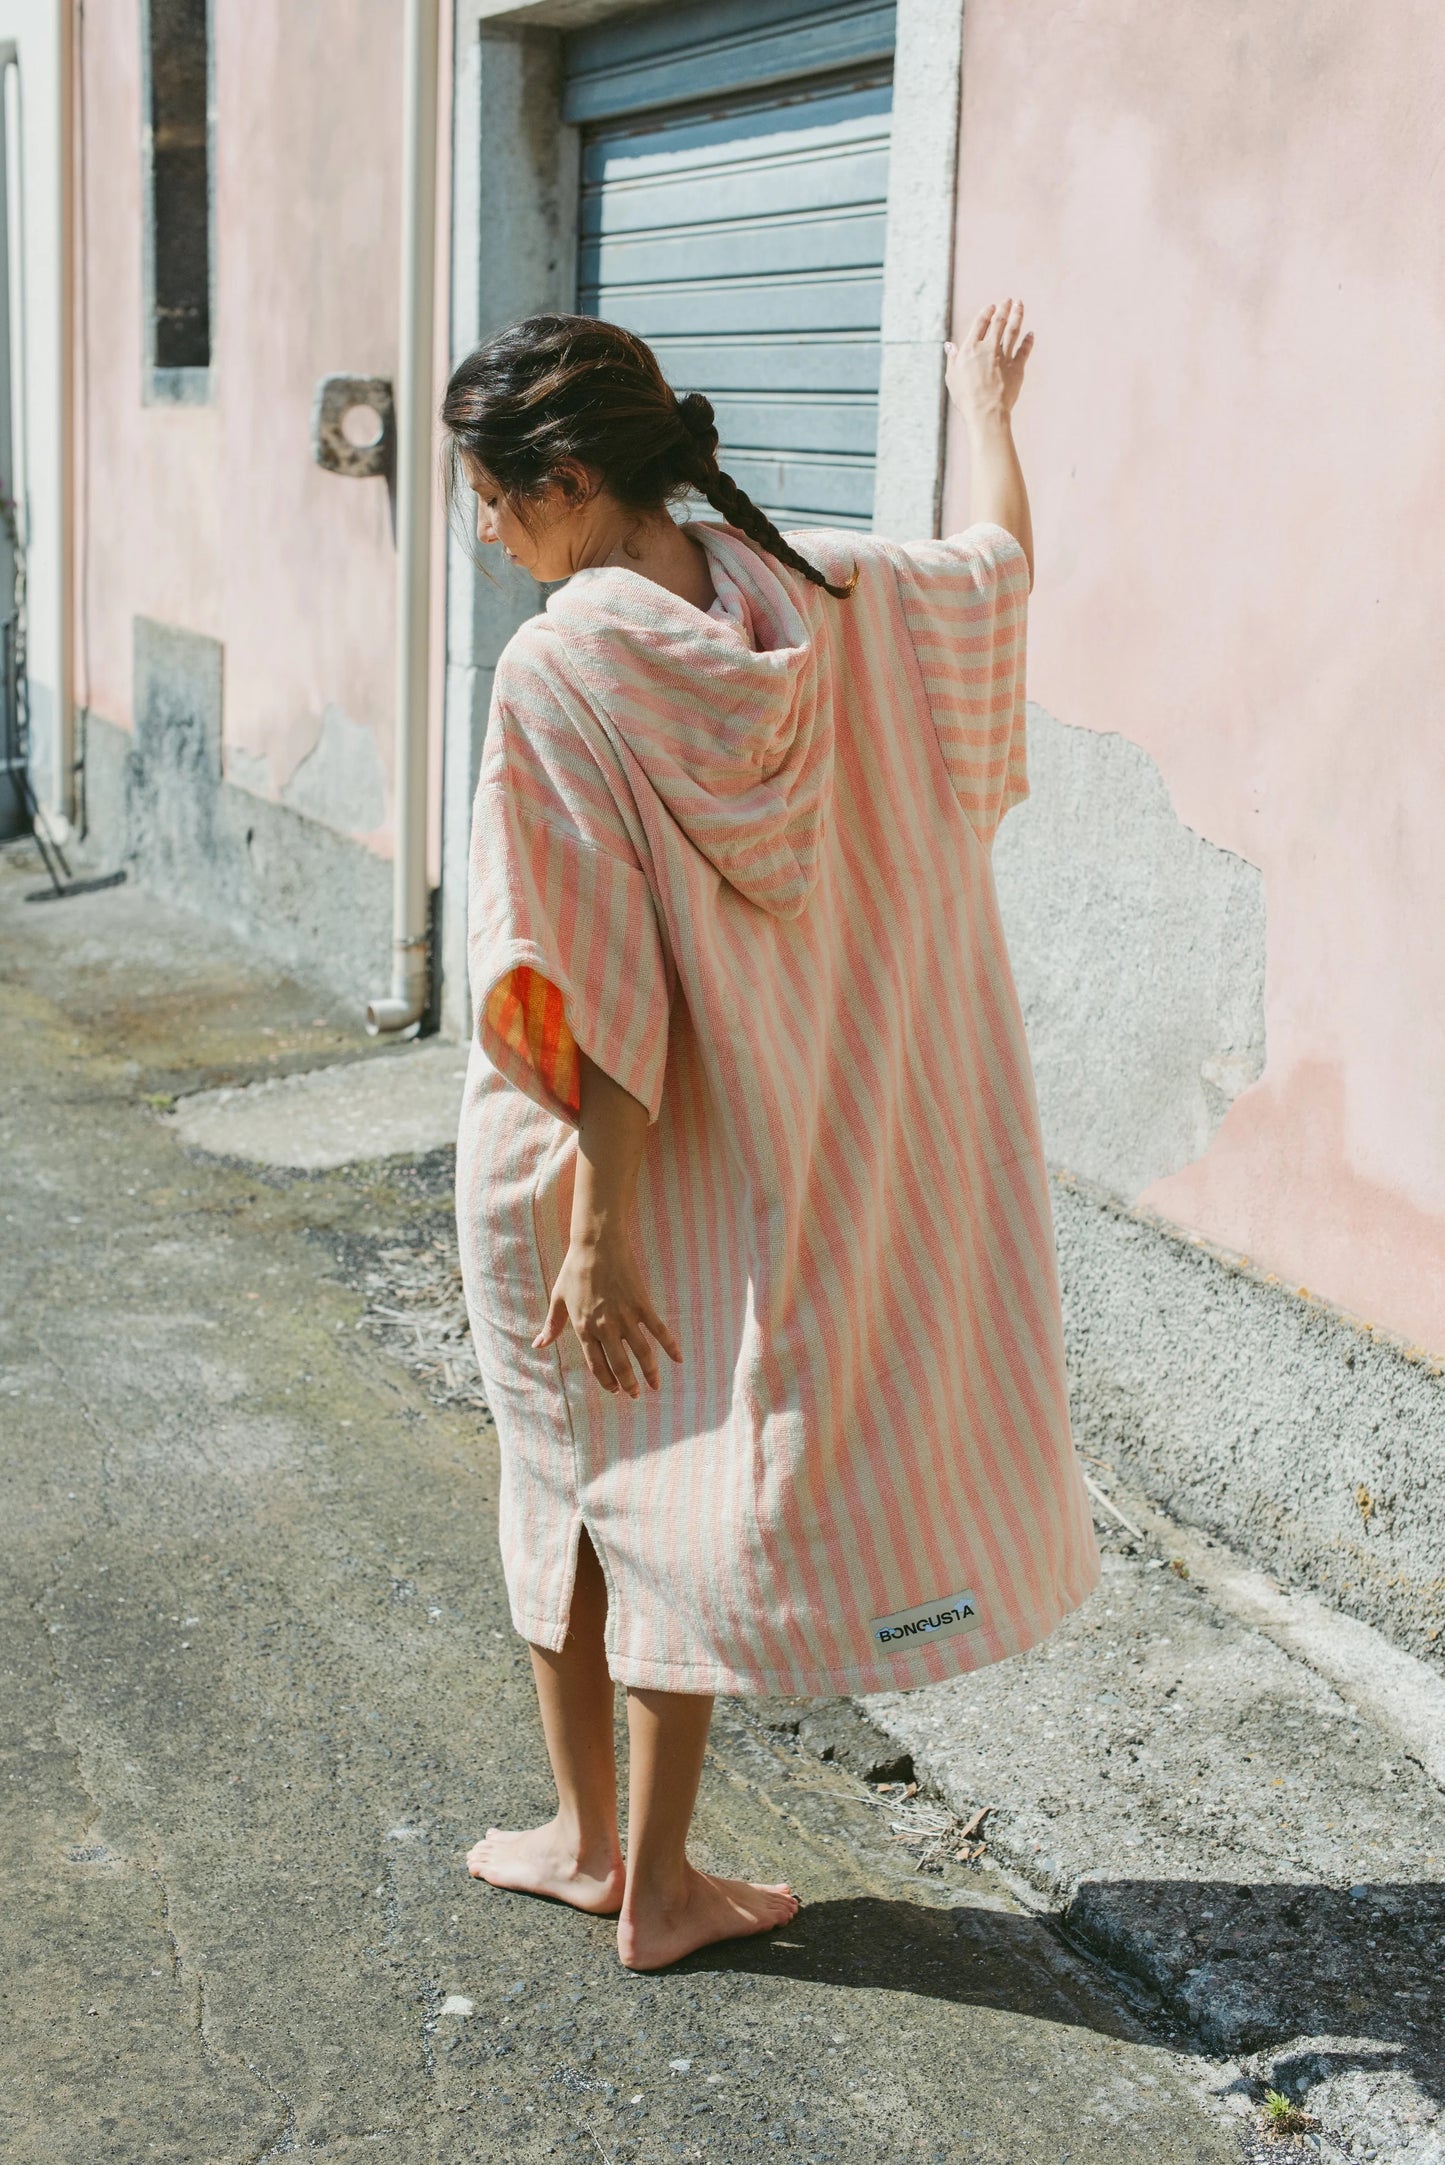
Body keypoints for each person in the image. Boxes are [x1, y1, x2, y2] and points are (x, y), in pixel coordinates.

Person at [447, 299, 1099, 1972]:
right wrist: (985, 410)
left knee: (568, 1476)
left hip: (584, 1160)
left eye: (494, 497)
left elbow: (584, 980)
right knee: (684, 1471)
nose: (486, 530)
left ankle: (596, 1849)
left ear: (568, 481)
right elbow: (997, 575)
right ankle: (650, 1869)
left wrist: (596, 1229)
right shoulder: (815, 594)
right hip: (759, 1152)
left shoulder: (559, 664)